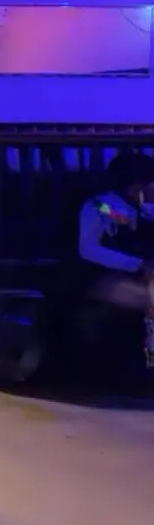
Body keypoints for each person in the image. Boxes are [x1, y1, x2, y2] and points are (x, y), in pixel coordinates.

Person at [78, 152, 154, 365]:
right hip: (103, 277)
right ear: (136, 185)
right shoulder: (100, 205)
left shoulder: (142, 209)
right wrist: (137, 265)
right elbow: (88, 248)